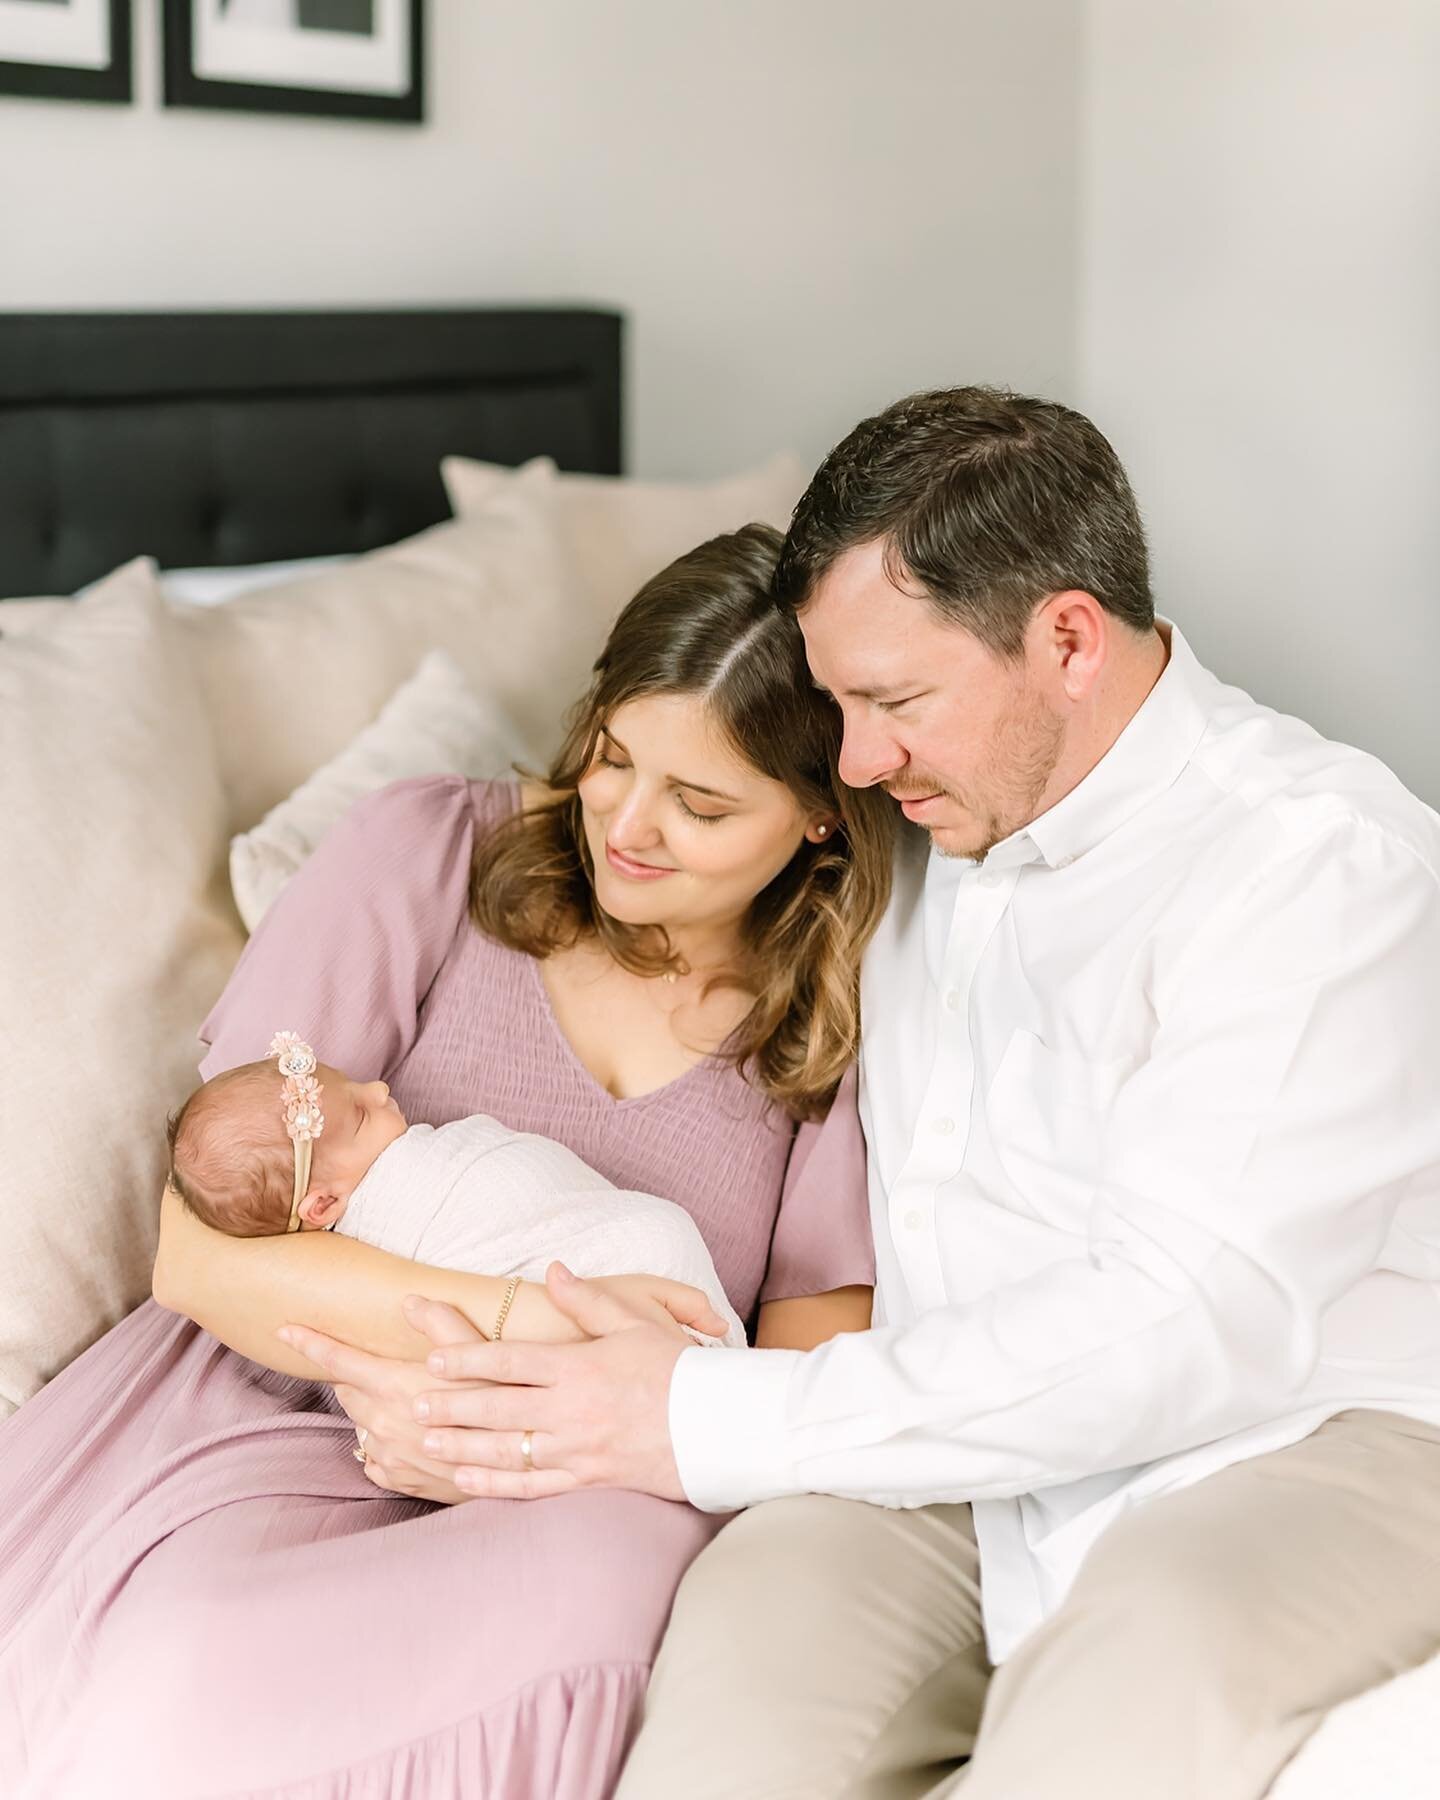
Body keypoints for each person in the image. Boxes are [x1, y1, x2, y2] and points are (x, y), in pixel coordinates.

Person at [336, 389, 1440, 1800]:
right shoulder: (902, 825)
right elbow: (657, 838)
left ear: (1068, 640)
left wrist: (699, 1413)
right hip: (940, 1463)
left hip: (1290, 1442)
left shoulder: (1319, 870)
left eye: (895, 701)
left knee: (1107, 1730)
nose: (854, 760)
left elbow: (1183, 1327)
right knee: (725, 1738)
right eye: (838, 703)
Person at [0, 524, 892, 1799]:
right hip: (282, 1406)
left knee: (604, 1609)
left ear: (819, 819)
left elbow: (807, 1377)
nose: (629, 825)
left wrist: (560, 1422)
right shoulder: (427, 853)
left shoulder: (829, 1028)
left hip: (592, 1472)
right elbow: (197, 1251)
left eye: (699, 804)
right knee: (183, 1670)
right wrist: (505, 1338)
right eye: (612, 757)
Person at [166, 1034, 746, 1345]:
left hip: (620, 1270)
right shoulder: (370, 1246)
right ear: (322, 1206)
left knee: (658, 1235)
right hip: (596, 1293)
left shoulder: (361, 1173)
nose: (379, 1088)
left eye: (357, 1085)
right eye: (362, 1116)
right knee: (657, 1239)